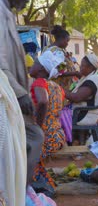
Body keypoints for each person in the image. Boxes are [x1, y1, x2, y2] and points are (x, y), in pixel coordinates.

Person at [0, 0, 42, 206]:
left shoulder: (8, 12)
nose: (27, 0)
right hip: (6, 94)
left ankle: (15, 201)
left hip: (11, 94)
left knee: (26, 143)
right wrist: (20, 93)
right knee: (13, 152)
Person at [29, 50, 66, 191]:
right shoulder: (57, 88)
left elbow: (43, 101)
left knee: (23, 152)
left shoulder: (39, 83)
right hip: (58, 136)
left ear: (41, 69)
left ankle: (40, 187)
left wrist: (37, 127)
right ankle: (44, 185)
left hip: (46, 137)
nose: (31, 65)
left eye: (35, 63)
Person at [63, 52, 98, 144]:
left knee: (57, 116)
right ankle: (74, 142)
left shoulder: (92, 80)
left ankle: (70, 142)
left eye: (82, 66)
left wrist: (59, 90)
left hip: (84, 114)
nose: (80, 68)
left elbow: (77, 97)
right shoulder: (89, 77)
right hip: (82, 111)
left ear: (90, 68)